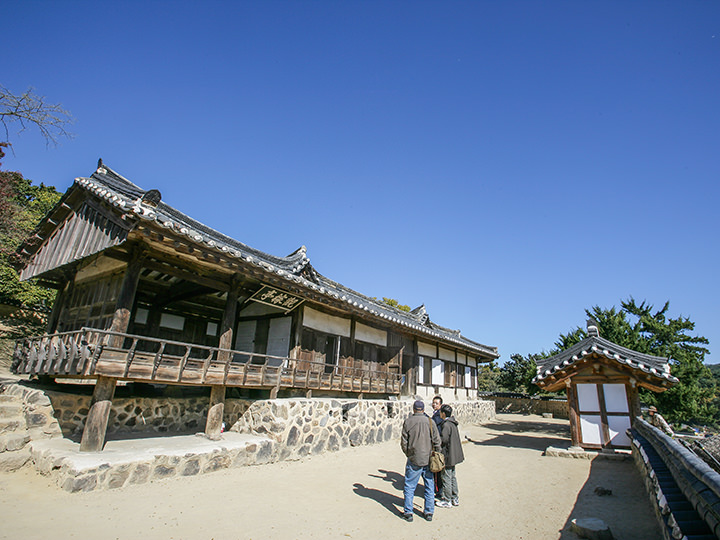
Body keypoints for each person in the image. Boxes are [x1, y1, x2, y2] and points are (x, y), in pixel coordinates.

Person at [400, 400, 441, 522]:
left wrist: (409, 454)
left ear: (414, 409)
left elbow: (404, 442)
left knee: (409, 485)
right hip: (428, 458)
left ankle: (408, 512)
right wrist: (436, 454)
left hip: (414, 458)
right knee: (429, 485)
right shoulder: (430, 422)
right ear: (423, 410)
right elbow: (437, 440)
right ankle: (429, 511)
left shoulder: (408, 422)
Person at [435, 404, 464, 508]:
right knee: (452, 476)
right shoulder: (453, 423)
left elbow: (444, 439)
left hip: (448, 454)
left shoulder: (446, 425)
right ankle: (454, 497)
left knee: (446, 477)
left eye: (440, 412)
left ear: (443, 413)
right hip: (454, 454)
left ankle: (447, 499)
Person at [431, 396, 444, 495]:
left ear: (440, 405)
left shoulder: (438, 416)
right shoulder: (436, 415)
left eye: (436, 403)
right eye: (433, 403)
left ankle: (439, 490)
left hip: (438, 444)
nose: (434, 404)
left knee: (437, 467)